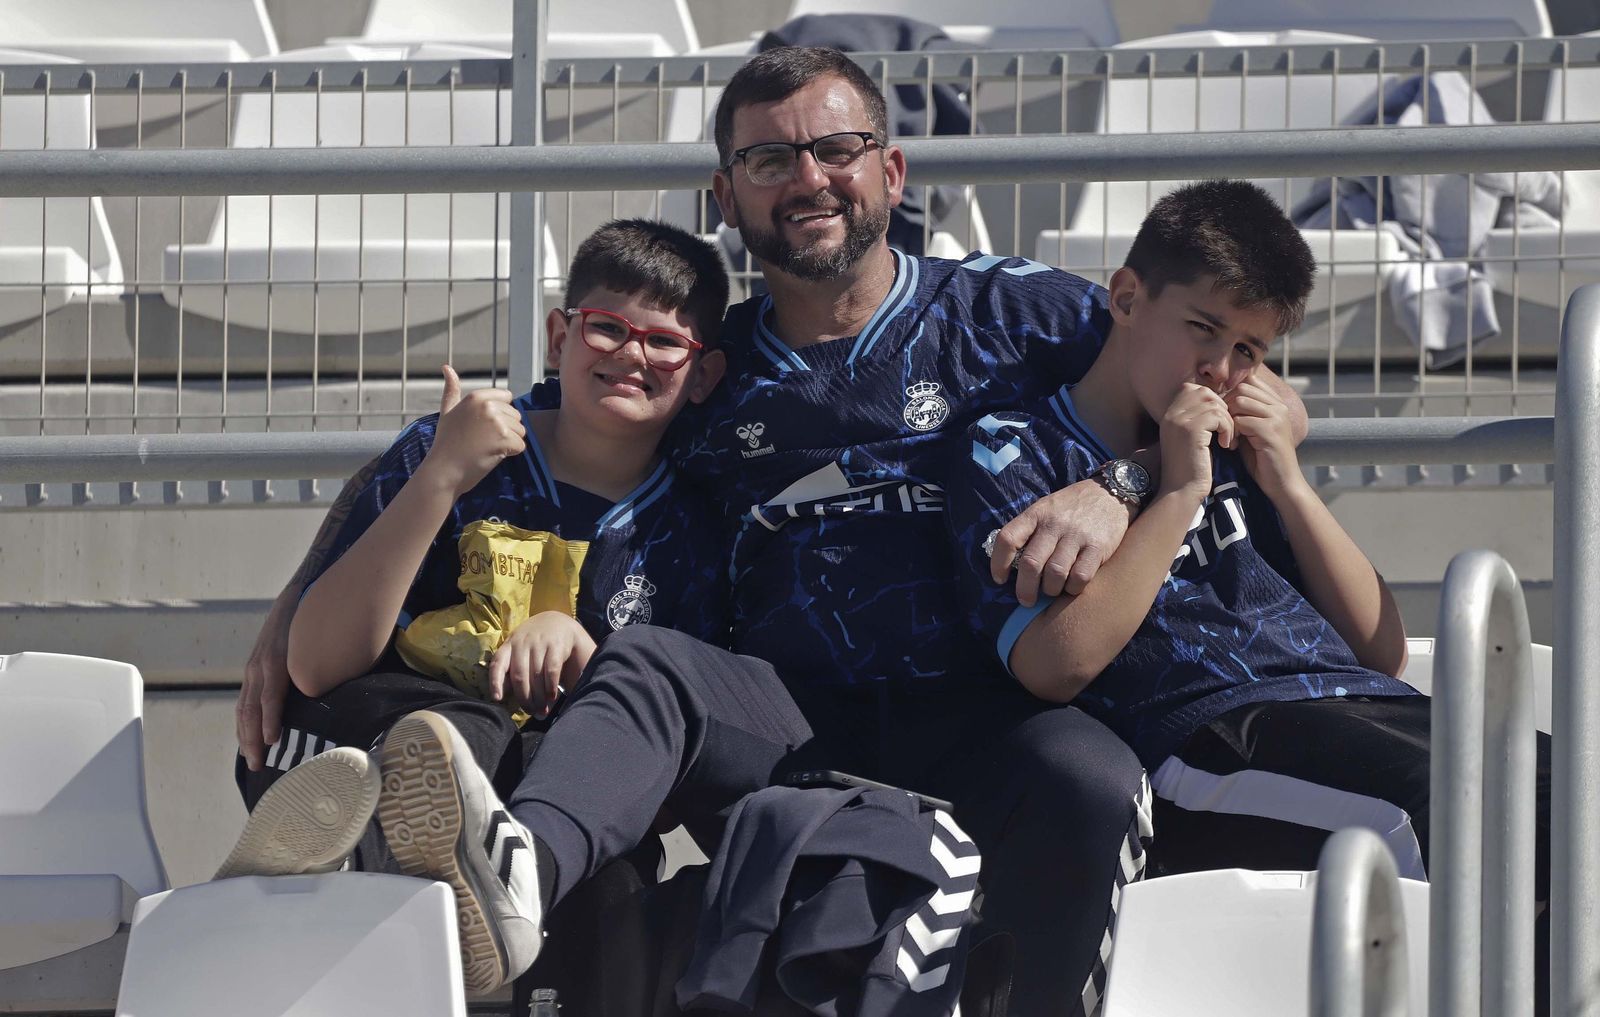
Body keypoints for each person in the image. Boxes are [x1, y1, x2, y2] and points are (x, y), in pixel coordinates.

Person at [236, 48, 1311, 1016]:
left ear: (890, 172)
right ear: (725, 194)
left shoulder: (1018, 312)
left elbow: (1198, 379)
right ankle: (513, 882)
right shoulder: (697, 365)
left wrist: (1115, 487)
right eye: (768, 159)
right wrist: (296, 604)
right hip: (785, 719)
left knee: (1089, 775)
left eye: (835, 149)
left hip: (986, 699)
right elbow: (511, 429)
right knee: (650, 668)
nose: (807, 179)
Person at [944, 179, 1552, 1007]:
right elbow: (1057, 664)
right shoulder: (1010, 451)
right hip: (1212, 734)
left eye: (1250, 351)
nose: (1220, 369)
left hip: (1352, 703)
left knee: (1559, 789)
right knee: (1453, 813)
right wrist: (1180, 490)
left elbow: (1381, 650)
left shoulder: (1239, 444)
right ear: (1125, 297)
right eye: (1203, 328)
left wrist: (1291, 484)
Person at [218, 218, 731, 994]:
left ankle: (412, 860)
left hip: (530, 810)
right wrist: (439, 478)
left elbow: (660, 751)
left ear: (703, 374)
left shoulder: (693, 527)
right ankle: (360, 836)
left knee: (610, 882)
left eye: (663, 342)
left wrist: (580, 641)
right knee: (462, 733)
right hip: (358, 742)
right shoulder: (459, 445)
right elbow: (317, 664)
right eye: (607, 328)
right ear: (559, 335)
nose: (631, 353)